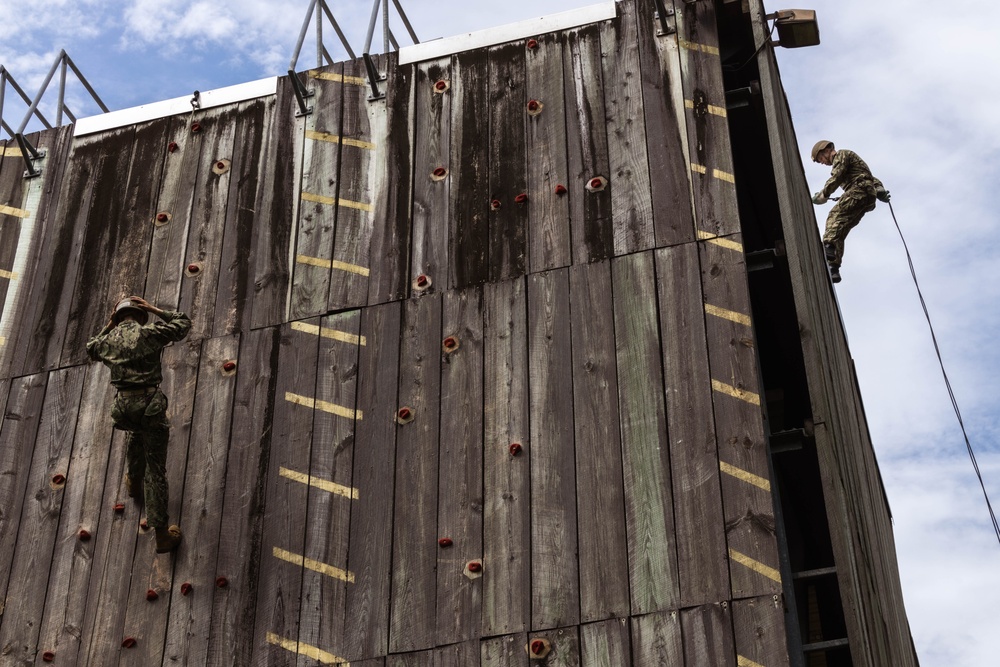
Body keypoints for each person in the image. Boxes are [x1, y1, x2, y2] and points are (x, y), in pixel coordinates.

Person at [86, 296, 192, 553]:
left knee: (135, 432)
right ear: (140, 315)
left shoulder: (108, 341)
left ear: (119, 317)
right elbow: (183, 324)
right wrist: (156, 309)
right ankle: (162, 535)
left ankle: (133, 481)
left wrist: (110, 323)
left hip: (123, 406)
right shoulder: (150, 333)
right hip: (150, 403)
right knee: (156, 471)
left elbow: (91, 347)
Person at [810, 140, 890, 283]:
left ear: (826, 150)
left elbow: (837, 176)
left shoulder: (841, 155)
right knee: (841, 229)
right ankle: (834, 268)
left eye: (820, 158)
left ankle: (828, 247)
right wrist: (879, 190)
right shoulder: (851, 159)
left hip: (858, 190)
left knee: (834, 217)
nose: (822, 162)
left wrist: (824, 194)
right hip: (867, 197)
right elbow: (871, 178)